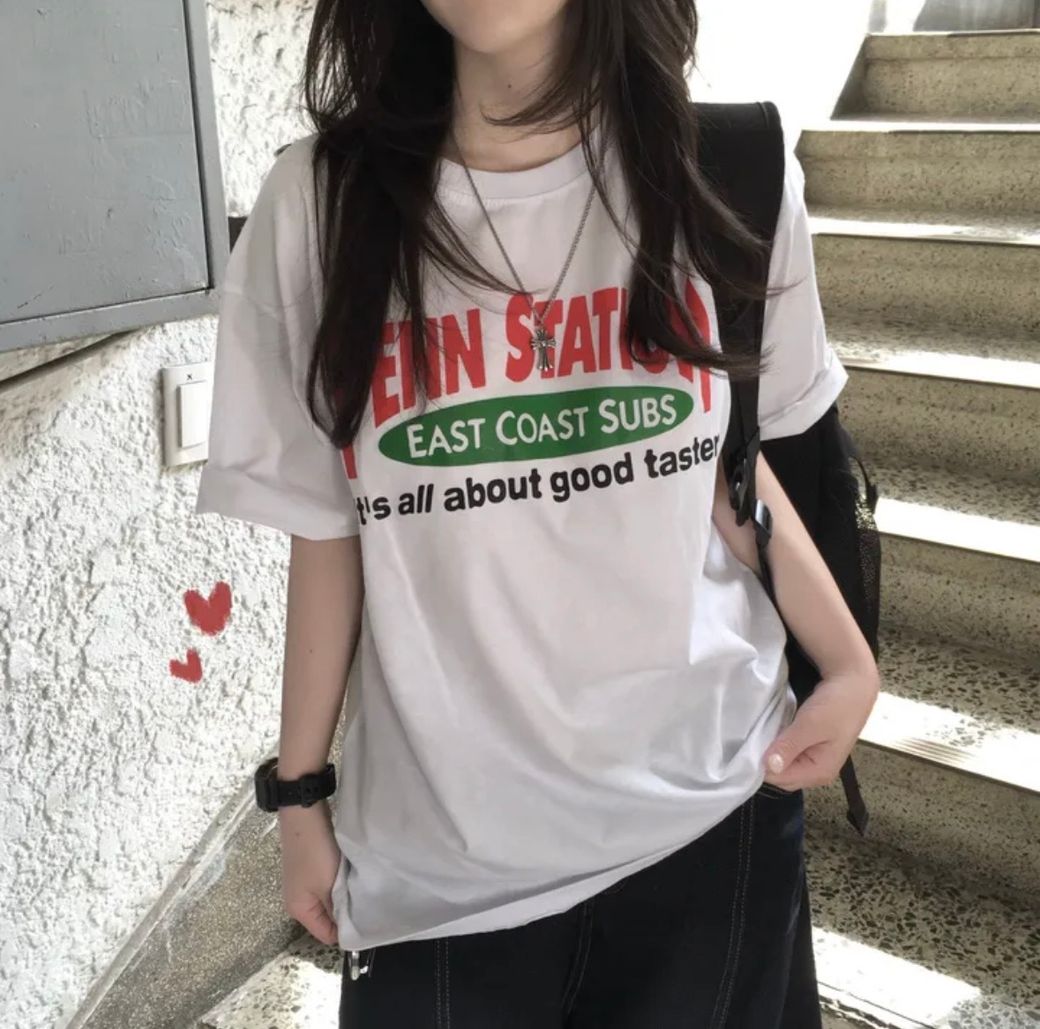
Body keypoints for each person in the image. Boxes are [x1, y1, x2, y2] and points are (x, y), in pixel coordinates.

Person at [195, 0, 881, 1024]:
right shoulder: (320, 207)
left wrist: (850, 661)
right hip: (440, 866)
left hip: (708, 815)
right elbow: (328, 530)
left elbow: (722, 464)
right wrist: (297, 797)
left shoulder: (724, 173)